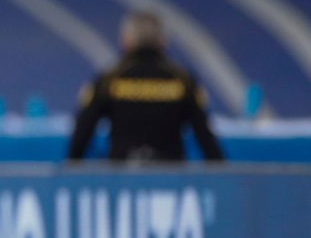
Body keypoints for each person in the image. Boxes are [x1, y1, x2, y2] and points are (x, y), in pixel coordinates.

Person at [68, 11, 225, 162]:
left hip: (122, 174)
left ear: (127, 40)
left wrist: (72, 167)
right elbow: (206, 137)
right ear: (164, 40)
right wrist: (222, 172)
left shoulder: (109, 80)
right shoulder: (183, 81)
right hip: (171, 174)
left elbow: (83, 132)